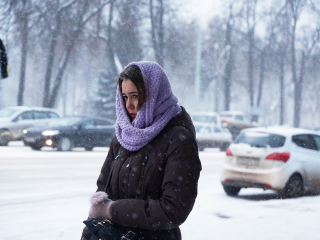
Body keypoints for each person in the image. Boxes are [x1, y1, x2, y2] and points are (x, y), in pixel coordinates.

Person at [82, 61, 201, 240]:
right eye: (124, 96)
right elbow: (102, 195)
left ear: (154, 95)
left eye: (135, 95)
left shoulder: (178, 140)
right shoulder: (123, 135)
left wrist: (112, 210)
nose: (128, 104)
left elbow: (173, 209)